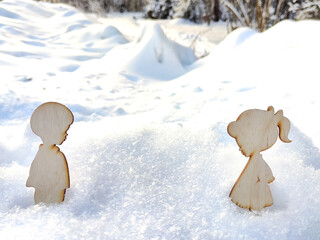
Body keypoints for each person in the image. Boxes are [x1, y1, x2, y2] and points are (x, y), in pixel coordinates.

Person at [227, 106, 291, 210]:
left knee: (256, 200)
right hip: (253, 194)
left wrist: (267, 176)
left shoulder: (257, 161)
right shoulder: (255, 160)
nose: (240, 148)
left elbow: (265, 172)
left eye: (243, 142)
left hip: (257, 196)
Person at [26, 102, 74, 204]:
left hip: (55, 193)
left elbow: (62, 181)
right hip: (41, 191)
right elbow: (35, 171)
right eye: (64, 131)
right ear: (52, 131)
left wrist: (61, 186)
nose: (66, 134)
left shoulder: (53, 156)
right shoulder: (55, 156)